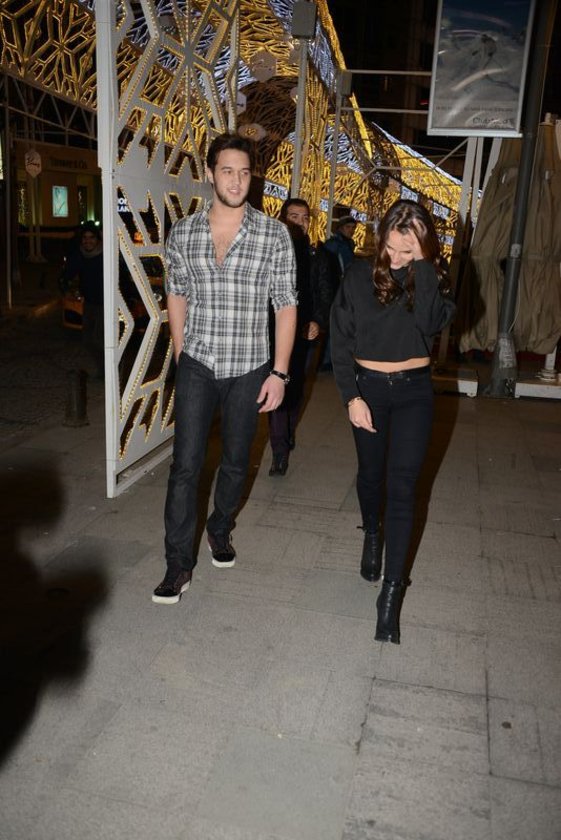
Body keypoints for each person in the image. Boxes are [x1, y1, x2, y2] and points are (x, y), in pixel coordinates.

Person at [152, 132, 297, 605]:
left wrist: (279, 373)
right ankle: (177, 564)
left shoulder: (273, 234)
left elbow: (286, 305)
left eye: (244, 172)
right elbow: (176, 292)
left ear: (253, 178)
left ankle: (219, 526)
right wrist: (181, 353)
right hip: (197, 361)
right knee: (185, 466)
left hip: (249, 366)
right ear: (211, 173)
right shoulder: (184, 233)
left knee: (235, 461)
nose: (236, 180)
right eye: (228, 171)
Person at [330, 199, 456, 644]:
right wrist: (351, 397)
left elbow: (429, 323)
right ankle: (372, 530)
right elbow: (340, 339)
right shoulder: (358, 275)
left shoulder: (433, 278)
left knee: (403, 488)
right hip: (368, 389)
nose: (397, 259)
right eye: (392, 248)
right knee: (370, 476)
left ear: (423, 248)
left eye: (408, 251)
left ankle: (391, 592)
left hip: (414, 393)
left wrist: (424, 266)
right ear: (380, 237)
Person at [268, 197, 335, 476]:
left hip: (305, 333)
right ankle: (279, 450)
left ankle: (287, 431)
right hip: (272, 332)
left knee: (295, 387)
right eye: (293, 216)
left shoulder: (318, 256)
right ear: (283, 219)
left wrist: (318, 321)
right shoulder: (269, 252)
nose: (300, 222)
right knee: (277, 384)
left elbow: (326, 293)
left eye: (304, 217)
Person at [61, 222, 104, 378]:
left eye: (91, 237)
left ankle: (109, 370)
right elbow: (66, 275)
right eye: (85, 238)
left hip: (105, 305)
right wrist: (66, 289)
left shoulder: (106, 255)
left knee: (99, 339)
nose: (88, 241)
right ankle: (104, 368)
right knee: (87, 340)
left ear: (97, 239)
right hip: (89, 303)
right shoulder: (79, 255)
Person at [319, 215, 357, 371]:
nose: (351, 230)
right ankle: (326, 359)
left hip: (344, 287)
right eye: (348, 227)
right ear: (340, 227)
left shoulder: (348, 244)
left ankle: (332, 358)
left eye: (353, 228)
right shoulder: (334, 244)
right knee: (333, 323)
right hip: (335, 287)